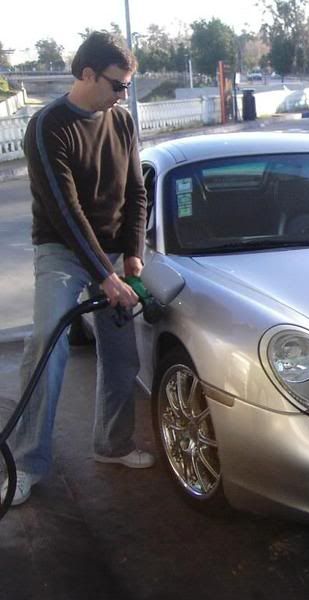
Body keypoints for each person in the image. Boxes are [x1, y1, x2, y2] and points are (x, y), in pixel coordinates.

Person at [1, 32, 152, 506]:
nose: (123, 95)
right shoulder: (48, 127)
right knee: (48, 342)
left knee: (122, 355)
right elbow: (66, 213)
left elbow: (136, 192)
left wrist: (131, 255)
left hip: (111, 254)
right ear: (86, 75)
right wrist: (103, 276)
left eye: (127, 86)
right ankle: (24, 464)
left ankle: (112, 445)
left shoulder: (122, 121)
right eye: (117, 84)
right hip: (62, 251)